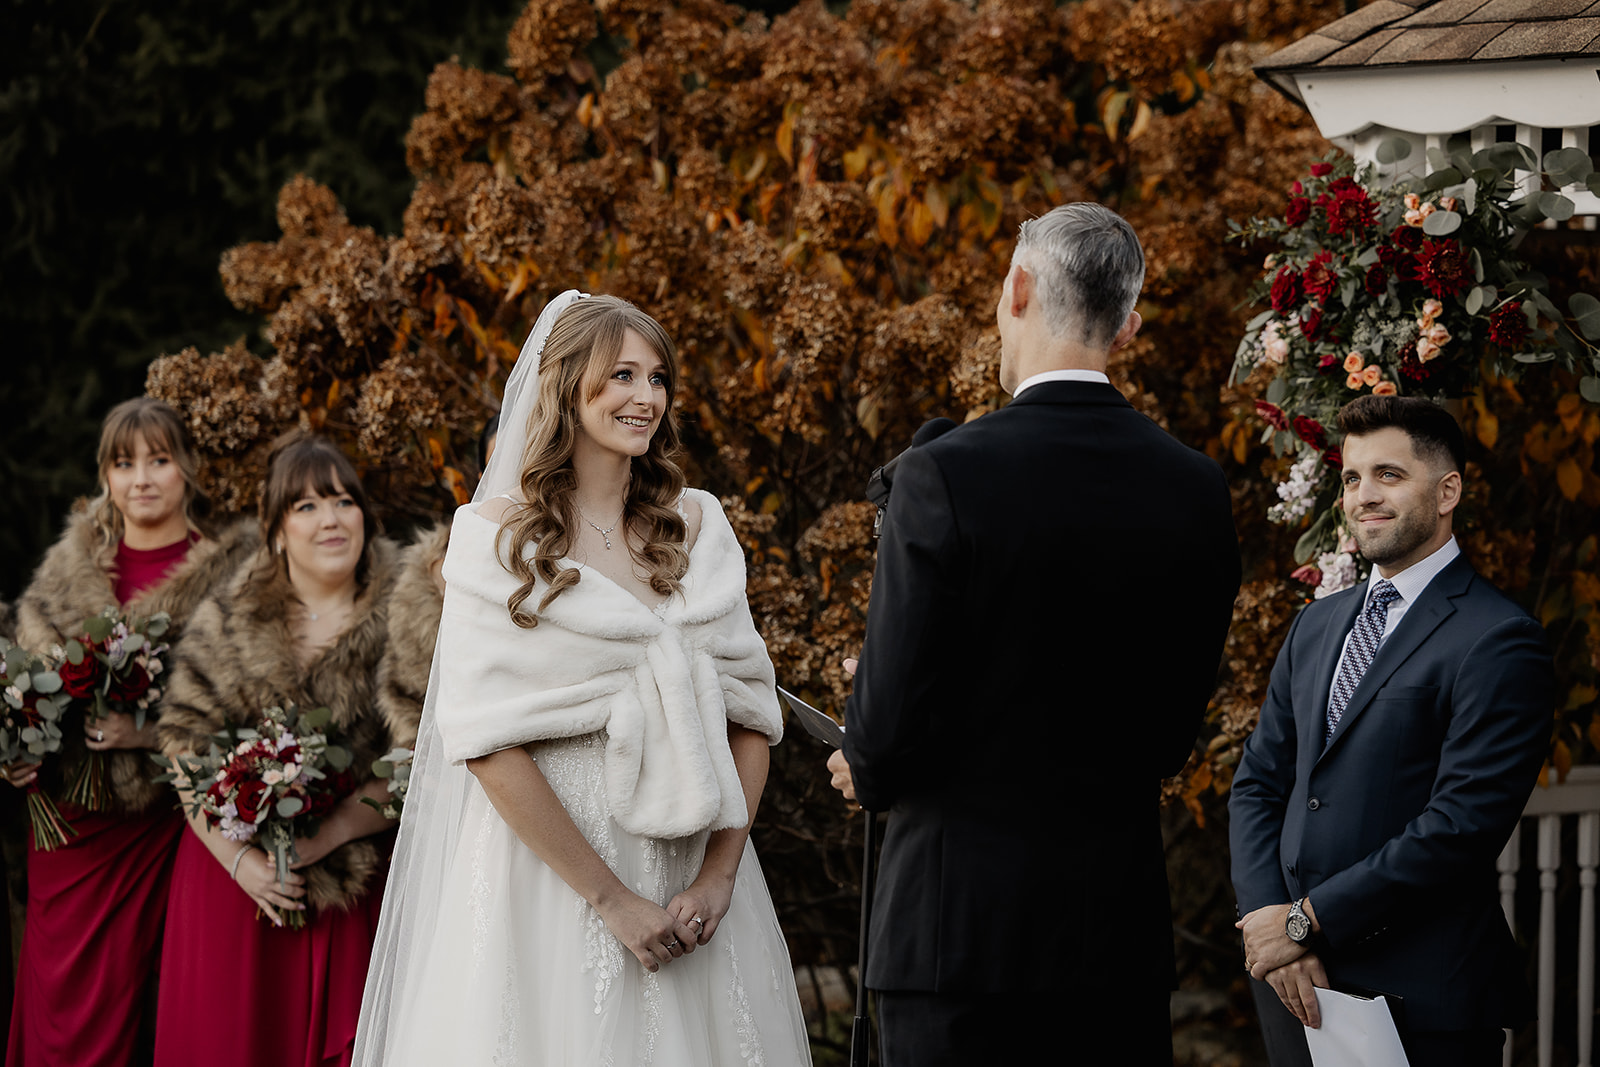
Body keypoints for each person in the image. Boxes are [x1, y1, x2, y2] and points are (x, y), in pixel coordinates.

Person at [824, 203, 1241, 1065]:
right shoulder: (1194, 487)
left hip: (953, 937)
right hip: (1113, 936)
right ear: (1128, 324)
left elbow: (885, 736)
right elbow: (1167, 738)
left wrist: (865, 750)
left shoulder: (942, 472)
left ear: (1016, 288)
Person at [352, 291, 813, 1066]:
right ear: (565, 385)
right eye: (621, 375)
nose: (646, 397)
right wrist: (610, 899)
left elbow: (751, 714)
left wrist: (718, 875)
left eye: (657, 377)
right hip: (546, 880)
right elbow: (486, 744)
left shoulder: (696, 525)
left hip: (687, 875)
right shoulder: (496, 537)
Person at [1229, 394, 1555, 1067]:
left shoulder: (1498, 639)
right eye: (1351, 478)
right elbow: (1259, 783)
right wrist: (1272, 927)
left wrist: (1303, 921)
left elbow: (1458, 828)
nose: (1363, 496)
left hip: (1418, 998)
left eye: (1388, 475)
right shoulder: (1315, 626)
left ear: (1447, 491)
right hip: (1295, 988)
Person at [5, 397, 258, 1067]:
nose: (141, 478)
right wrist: (18, 746)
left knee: (131, 1005)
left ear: (188, 470)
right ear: (104, 476)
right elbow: (25, 675)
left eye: (159, 459)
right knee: (54, 995)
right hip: (63, 829)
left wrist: (148, 735)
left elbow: (254, 701)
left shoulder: (228, 574)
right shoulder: (68, 567)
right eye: (123, 462)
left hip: (159, 823)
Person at [153, 433, 400, 1067]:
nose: (331, 520)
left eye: (344, 502)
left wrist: (332, 832)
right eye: (307, 506)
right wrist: (240, 862)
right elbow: (182, 742)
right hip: (231, 889)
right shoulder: (227, 618)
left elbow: (422, 762)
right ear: (276, 530)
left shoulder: (411, 619)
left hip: (353, 886)